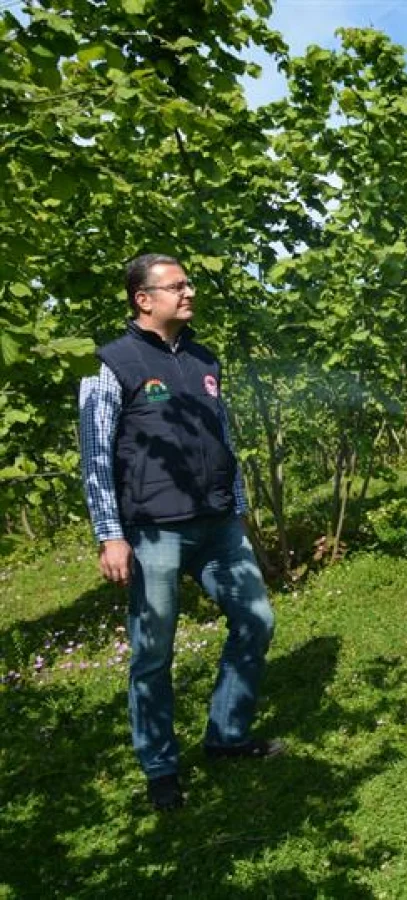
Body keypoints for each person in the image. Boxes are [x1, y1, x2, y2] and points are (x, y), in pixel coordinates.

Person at [78, 253, 282, 812]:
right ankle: (161, 768)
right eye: (177, 286)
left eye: (189, 284)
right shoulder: (111, 366)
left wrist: (237, 511)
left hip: (217, 526)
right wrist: (109, 535)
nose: (189, 293)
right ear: (144, 299)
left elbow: (224, 440)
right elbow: (96, 458)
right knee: (153, 652)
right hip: (152, 532)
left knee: (256, 621)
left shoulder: (202, 359)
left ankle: (226, 735)